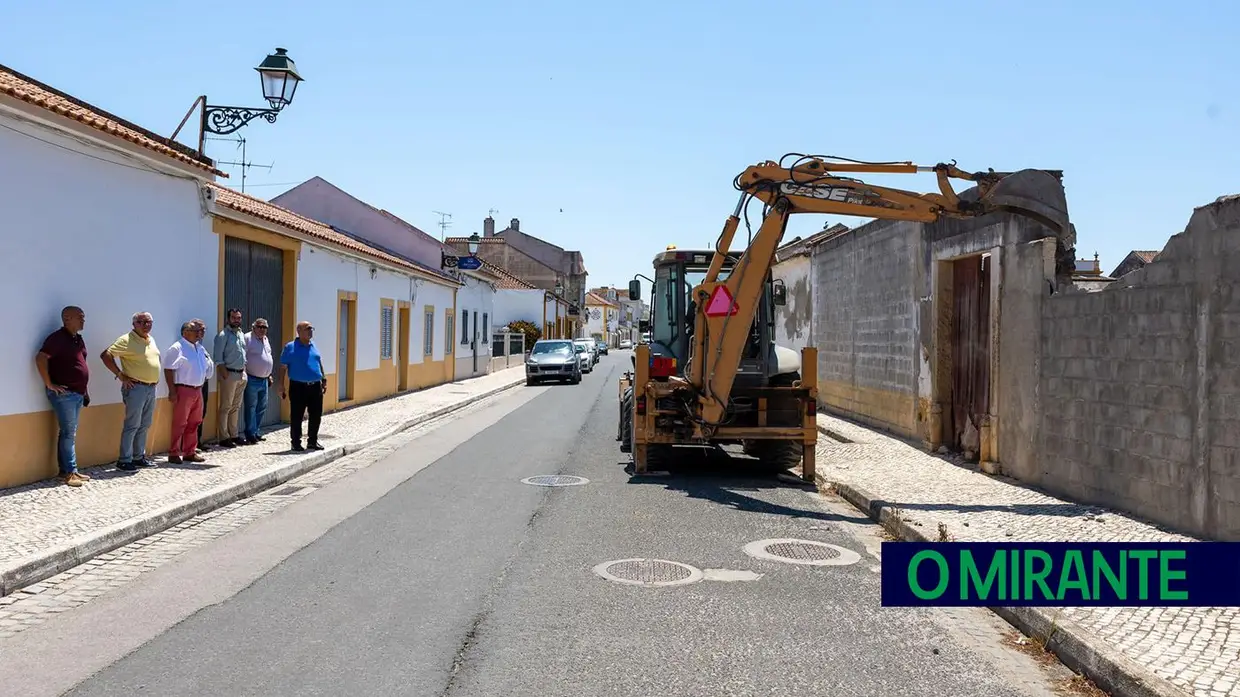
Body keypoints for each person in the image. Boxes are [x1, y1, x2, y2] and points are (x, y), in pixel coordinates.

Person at [35, 306, 92, 486]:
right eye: (80, 317)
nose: (83, 320)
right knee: (69, 433)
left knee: (67, 433)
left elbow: (81, 364)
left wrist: (85, 390)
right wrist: (49, 384)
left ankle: (64, 470)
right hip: (64, 393)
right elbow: (41, 357)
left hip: (77, 393)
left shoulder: (78, 339)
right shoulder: (57, 338)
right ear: (67, 318)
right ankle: (70, 472)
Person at [100, 311, 161, 471]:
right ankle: (124, 459)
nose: (146, 325)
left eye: (149, 322)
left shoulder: (150, 339)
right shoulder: (126, 340)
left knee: (145, 424)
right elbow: (106, 355)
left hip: (150, 387)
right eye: (142, 322)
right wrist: (120, 375)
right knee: (132, 424)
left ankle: (138, 456)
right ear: (134, 324)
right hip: (136, 388)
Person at [162, 320, 214, 464]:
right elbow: (168, 369)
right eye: (195, 331)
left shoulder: (199, 348)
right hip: (184, 389)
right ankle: (174, 452)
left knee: (195, 422)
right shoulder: (177, 348)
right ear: (185, 333)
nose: (199, 334)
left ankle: (190, 451)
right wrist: (172, 390)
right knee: (180, 422)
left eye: (200, 331)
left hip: (198, 389)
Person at [278, 321, 327, 452]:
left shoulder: (313, 345)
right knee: (297, 416)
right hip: (298, 387)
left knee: (316, 415)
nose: (310, 331)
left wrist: (323, 378)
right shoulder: (290, 347)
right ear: (298, 331)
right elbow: (283, 368)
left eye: (312, 328)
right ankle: (296, 443)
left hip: (315, 386)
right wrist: (281, 385)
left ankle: (312, 441)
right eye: (307, 328)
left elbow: (318, 362)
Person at [212, 308, 248, 448]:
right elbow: (218, 358)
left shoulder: (241, 334)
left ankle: (234, 434)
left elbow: (243, 354)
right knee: (226, 406)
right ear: (228, 319)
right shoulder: (223, 335)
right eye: (233, 318)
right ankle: (223, 436)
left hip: (241, 374)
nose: (236, 320)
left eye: (238, 318)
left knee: (236, 406)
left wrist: (244, 370)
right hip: (230, 374)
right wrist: (225, 373)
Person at [242, 318, 274, 444]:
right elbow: (243, 357)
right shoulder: (247, 338)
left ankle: (256, 431)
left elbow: (267, 357)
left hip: (264, 379)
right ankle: (250, 433)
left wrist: (269, 374)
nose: (262, 329)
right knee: (251, 407)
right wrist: (244, 374)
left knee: (262, 406)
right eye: (259, 327)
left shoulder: (266, 339)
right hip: (252, 378)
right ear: (253, 327)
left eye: (264, 327)